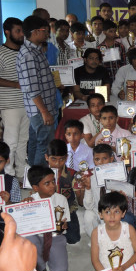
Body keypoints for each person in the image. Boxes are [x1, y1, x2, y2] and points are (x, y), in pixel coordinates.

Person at [16, 16, 57, 167]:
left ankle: (32, 179)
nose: (47, 33)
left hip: (42, 108)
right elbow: (32, 88)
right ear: (34, 32)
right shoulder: (28, 55)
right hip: (40, 110)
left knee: (35, 143)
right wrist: (44, 111)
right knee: (45, 146)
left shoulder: (36, 51)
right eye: (45, 30)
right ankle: (39, 180)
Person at [25, 167, 70, 271]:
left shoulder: (61, 199)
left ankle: (51, 256)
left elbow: (65, 222)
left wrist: (64, 225)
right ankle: (40, 264)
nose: (52, 185)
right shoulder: (30, 201)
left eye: (53, 181)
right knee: (28, 237)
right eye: (47, 183)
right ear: (36, 187)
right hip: (37, 237)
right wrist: (24, 208)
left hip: (55, 237)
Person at [91, 191, 136, 271]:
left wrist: (123, 268)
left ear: (123, 213)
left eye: (117, 211)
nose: (112, 216)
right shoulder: (96, 233)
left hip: (127, 270)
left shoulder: (129, 229)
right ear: (100, 214)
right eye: (107, 212)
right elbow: (95, 260)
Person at [0, 17, 29, 177]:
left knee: (23, 140)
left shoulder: (24, 52)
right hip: (10, 105)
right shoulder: (1, 52)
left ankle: (21, 173)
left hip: (27, 103)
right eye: (18, 31)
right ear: (7, 32)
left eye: (22, 31)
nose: (21, 34)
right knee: (10, 141)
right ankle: (8, 176)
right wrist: (16, 84)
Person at [45, 139, 81, 244]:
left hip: (67, 210)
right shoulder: (40, 174)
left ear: (66, 158)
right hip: (47, 210)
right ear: (46, 157)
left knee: (73, 238)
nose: (57, 163)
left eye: (61, 159)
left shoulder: (72, 174)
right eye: (53, 159)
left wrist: (81, 190)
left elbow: (81, 202)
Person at [82, 144, 114, 237]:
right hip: (97, 211)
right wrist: (88, 187)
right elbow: (88, 206)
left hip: (113, 212)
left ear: (111, 159)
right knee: (88, 215)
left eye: (105, 158)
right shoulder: (90, 176)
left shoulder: (118, 174)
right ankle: (95, 240)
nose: (101, 162)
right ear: (93, 160)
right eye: (97, 159)